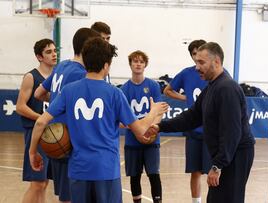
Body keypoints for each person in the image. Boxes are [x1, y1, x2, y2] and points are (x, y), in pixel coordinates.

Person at [29, 37, 169, 203]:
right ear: (106, 66)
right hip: (106, 170)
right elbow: (139, 129)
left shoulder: (68, 91)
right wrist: (153, 112)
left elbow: (40, 122)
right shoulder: (115, 93)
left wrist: (32, 152)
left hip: (79, 169)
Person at [149, 42, 255, 203]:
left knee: (228, 199)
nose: (197, 67)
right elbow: (192, 117)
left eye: (202, 62)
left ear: (217, 62)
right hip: (226, 155)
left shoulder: (227, 88)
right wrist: (160, 126)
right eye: (196, 61)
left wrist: (217, 166)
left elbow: (232, 132)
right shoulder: (212, 87)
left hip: (236, 155)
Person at [34, 27, 100, 203]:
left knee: (65, 197)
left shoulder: (62, 66)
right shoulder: (81, 74)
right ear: (87, 47)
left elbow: (38, 93)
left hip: (56, 138)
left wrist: (56, 102)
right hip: (69, 143)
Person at [163, 39, 211, 203]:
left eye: (200, 52)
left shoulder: (216, 72)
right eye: (194, 53)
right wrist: (185, 97)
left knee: (213, 172)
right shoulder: (186, 73)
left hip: (211, 131)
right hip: (194, 129)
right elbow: (168, 90)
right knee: (195, 171)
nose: (197, 55)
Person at [16, 38, 57, 203]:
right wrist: (42, 118)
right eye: (49, 52)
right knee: (37, 183)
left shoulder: (57, 77)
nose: (54, 54)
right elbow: (20, 106)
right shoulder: (31, 77)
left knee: (44, 183)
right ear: (39, 57)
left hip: (52, 134)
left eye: (55, 51)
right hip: (36, 134)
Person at [121, 50, 163, 203]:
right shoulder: (124, 89)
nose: (138, 64)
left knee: (154, 174)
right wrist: (136, 130)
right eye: (135, 61)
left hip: (151, 139)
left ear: (145, 65)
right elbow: (122, 118)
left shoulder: (153, 85)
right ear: (130, 64)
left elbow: (159, 110)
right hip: (132, 140)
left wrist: (153, 127)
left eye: (141, 61)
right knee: (134, 175)